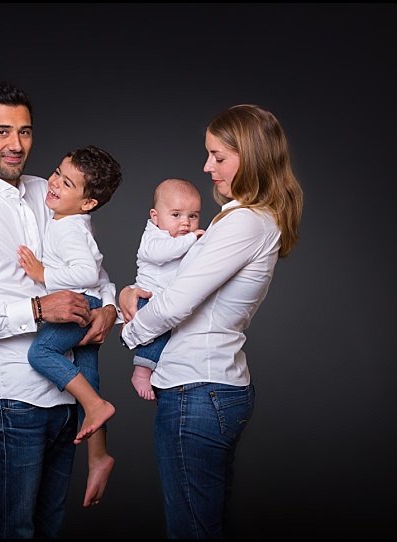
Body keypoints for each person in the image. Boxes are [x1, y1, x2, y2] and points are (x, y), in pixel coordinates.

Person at [0, 80, 120, 538]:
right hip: (16, 401)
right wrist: (36, 308)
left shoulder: (50, 191)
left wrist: (109, 308)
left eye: (25, 131)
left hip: (68, 400)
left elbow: (91, 272)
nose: (16, 145)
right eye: (1, 131)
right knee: (15, 531)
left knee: (50, 528)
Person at [118, 104, 303, 538]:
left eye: (219, 157)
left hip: (197, 392)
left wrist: (129, 329)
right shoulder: (246, 219)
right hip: (206, 389)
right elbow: (169, 285)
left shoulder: (245, 223)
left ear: (252, 157)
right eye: (209, 155)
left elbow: (177, 302)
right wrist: (127, 294)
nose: (207, 167)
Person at [19, 145, 123, 448]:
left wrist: (42, 275)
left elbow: (87, 273)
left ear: (88, 202)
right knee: (87, 367)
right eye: (57, 173)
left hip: (78, 303)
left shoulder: (69, 228)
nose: (53, 183)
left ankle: (94, 406)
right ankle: (97, 454)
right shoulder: (73, 219)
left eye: (67, 183)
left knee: (41, 353)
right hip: (91, 302)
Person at [130, 178, 205, 400]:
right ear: (155, 217)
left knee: (170, 339)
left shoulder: (184, 241)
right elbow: (161, 253)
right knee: (160, 336)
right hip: (149, 300)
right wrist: (192, 238)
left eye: (193, 216)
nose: (185, 223)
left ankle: (152, 370)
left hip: (166, 302)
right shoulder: (154, 237)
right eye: (176, 215)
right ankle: (141, 372)